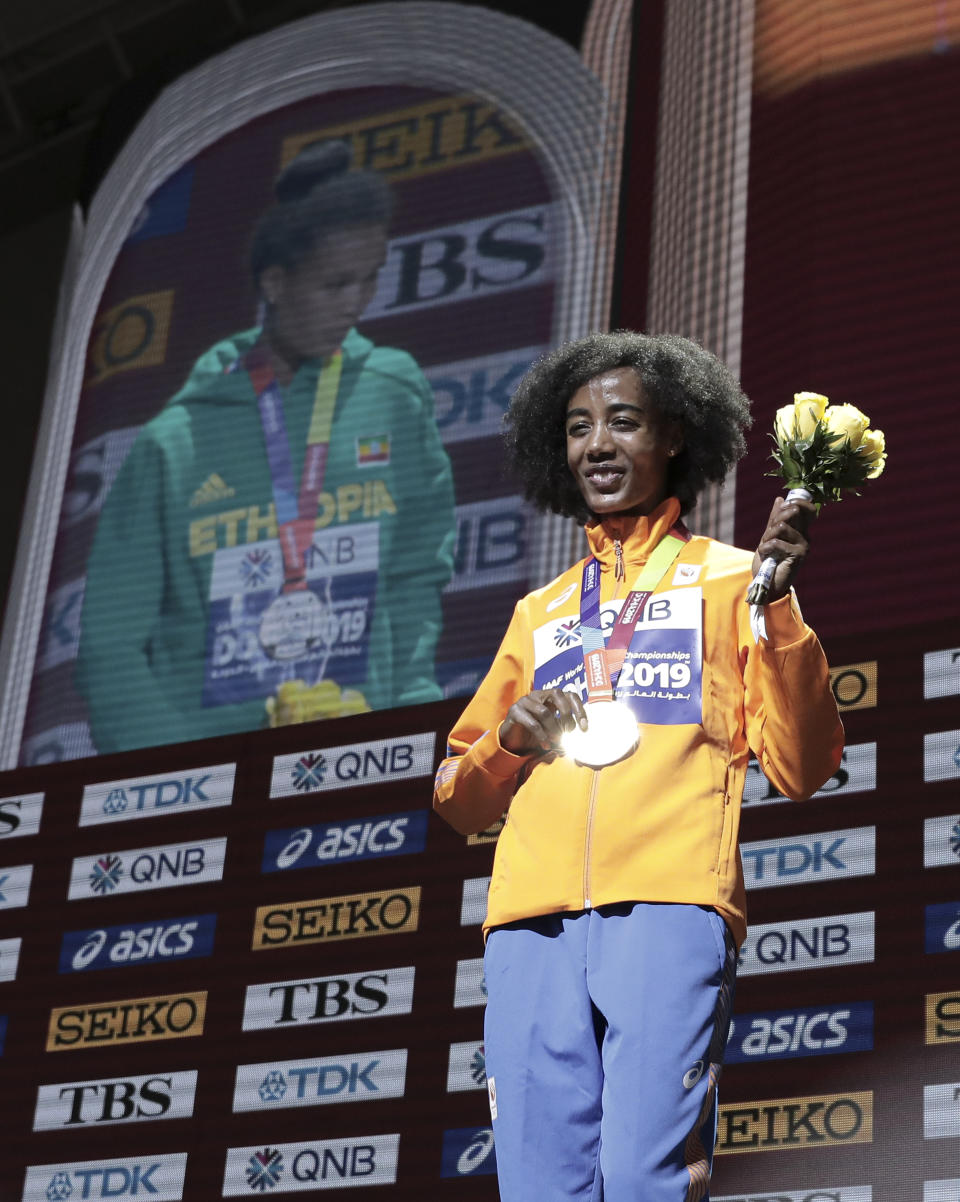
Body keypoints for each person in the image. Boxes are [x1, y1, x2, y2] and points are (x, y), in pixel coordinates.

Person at [433, 331, 843, 1202]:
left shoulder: (736, 582)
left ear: (675, 436)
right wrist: (509, 740)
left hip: (668, 906)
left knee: (642, 1178)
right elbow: (460, 801)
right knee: (540, 1185)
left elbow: (803, 765)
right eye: (580, 427)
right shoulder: (539, 611)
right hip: (530, 925)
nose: (598, 445)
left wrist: (778, 612)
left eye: (624, 422)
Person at [75, 140, 456, 754]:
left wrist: (411, 724)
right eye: (335, 284)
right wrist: (177, 769)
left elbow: (416, 575)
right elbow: (110, 646)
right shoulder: (173, 442)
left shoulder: (391, 390)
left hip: (362, 758)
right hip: (211, 784)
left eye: (371, 278)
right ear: (275, 283)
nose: (356, 304)